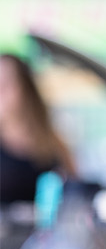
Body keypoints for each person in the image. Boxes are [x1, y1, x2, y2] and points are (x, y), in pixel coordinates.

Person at [0, 54, 74, 209]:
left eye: (5, 84)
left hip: (44, 230)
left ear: (25, 87)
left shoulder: (53, 142)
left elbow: (75, 187)